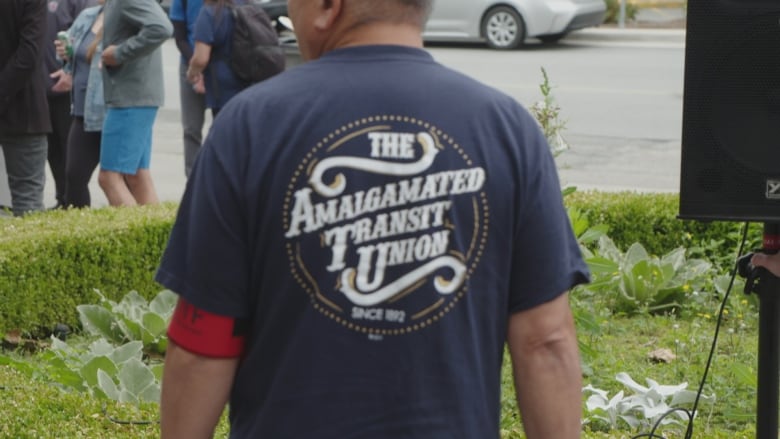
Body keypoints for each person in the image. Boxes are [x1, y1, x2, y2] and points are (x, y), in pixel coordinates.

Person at [157, 0, 589, 438]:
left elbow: (203, 345)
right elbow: (545, 341)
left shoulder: (248, 127)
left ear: (327, 6)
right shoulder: (509, 130)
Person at [98, 0, 173, 207]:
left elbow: (162, 28)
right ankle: (159, 239)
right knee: (137, 176)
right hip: (136, 94)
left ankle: (136, 239)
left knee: (109, 178)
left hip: (130, 97)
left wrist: (119, 53)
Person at [0, 0, 52, 217]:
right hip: (25, 110)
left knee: (27, 201)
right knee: (28, 204)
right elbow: (29, 55)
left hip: (24, 112)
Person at [45, 0, 96, 209]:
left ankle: (74, 205)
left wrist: (70, 72)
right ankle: (62, 200)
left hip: (67, 87)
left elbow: (87, 38)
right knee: (52, 148)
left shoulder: (81, 3)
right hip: (42, 84)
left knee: (70, 151)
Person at [55, 1, 106, 208]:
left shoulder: (127, 17)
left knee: (118, 179)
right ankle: (81, 232)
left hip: (111, 110)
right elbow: (69, 59)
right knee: (74, 176)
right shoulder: (88, 15)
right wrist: (65, 55)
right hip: (82, 110)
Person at [187, 0, 252, 117]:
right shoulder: (250, 7)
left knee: (228, 131)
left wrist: (192, 72)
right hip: (252, 83)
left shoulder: (210, 12)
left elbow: (201, 58)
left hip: (224, 89)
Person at [169, 0, 208, 177]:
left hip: (224, 66)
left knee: (226, 127)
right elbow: (180, 36)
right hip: (190, 65)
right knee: (191, 129)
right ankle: (193, 181)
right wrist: (196, 66)